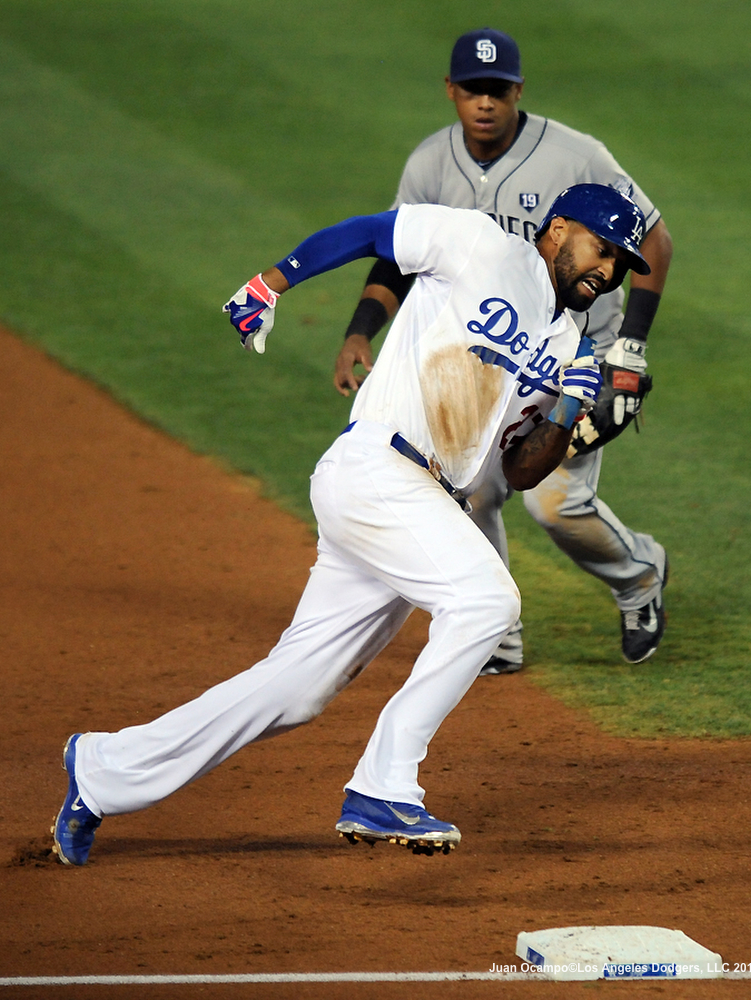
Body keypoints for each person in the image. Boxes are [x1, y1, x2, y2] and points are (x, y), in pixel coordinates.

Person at [52, 183, 650, 866]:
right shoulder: (482, 245)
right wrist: (270, 283)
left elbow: (517, 471)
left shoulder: (570, 341)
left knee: (298, 687)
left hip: (417, 501)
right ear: (558, 229)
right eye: (601, 249)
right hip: (377, 469)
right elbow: (374, 231)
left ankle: (102, 770)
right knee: (487, 600)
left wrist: (569, 413)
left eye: (620, 264)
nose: (607, 272)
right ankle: (383, 783)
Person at [334, 28, 674, 671]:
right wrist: (360, 329)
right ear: (451, 91)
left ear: (517, 90)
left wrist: (627, 353)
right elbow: (397, 253)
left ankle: (638, 578)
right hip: (492, 356)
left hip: (576, 355)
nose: (485, 102)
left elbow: (653, 243)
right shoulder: (430, 164)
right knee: (471, 487)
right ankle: (497, 637)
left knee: (554, 503)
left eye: (498, 89)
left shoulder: (579, 156)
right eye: (473, 89)